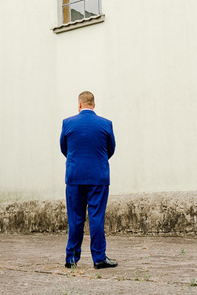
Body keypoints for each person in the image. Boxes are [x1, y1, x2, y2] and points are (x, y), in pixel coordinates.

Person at [59, 90, 117, 270]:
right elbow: (111, 149)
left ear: (79, 105)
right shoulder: (106, 124)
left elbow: (64, 148)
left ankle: (72, 259)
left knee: (75, 218)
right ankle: (99, 258)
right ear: (94, 104)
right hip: (98, 177)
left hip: (75, 177)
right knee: (96, 218)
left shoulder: (67, 123)